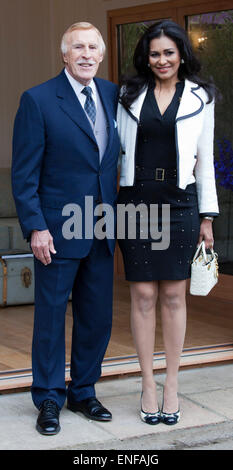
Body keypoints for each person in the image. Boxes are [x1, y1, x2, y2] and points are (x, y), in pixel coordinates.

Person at [12, 22, 120, 435]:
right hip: (56, 231)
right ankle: (49, 398)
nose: (87, 54)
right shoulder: (38, 100)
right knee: (52, 318)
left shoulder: (113, 95)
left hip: (104, 227)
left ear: (102, 55)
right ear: (64, 54)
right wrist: (36, 227)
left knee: (97, 317)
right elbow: (24, 174)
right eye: (78, 47)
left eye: (94, 47)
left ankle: (84, 391)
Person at [117, 20, 219, 426]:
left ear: (181, 56)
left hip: (180, 203)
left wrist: (207, 216)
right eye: (155, 53)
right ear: (147, 56)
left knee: (175, 297)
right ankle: (146, 383)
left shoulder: (201, 97)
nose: (162, 60)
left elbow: (206, 161)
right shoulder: (126, 95)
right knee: (142, 296)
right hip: (135, 200)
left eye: (169, 53)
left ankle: (172, 385)